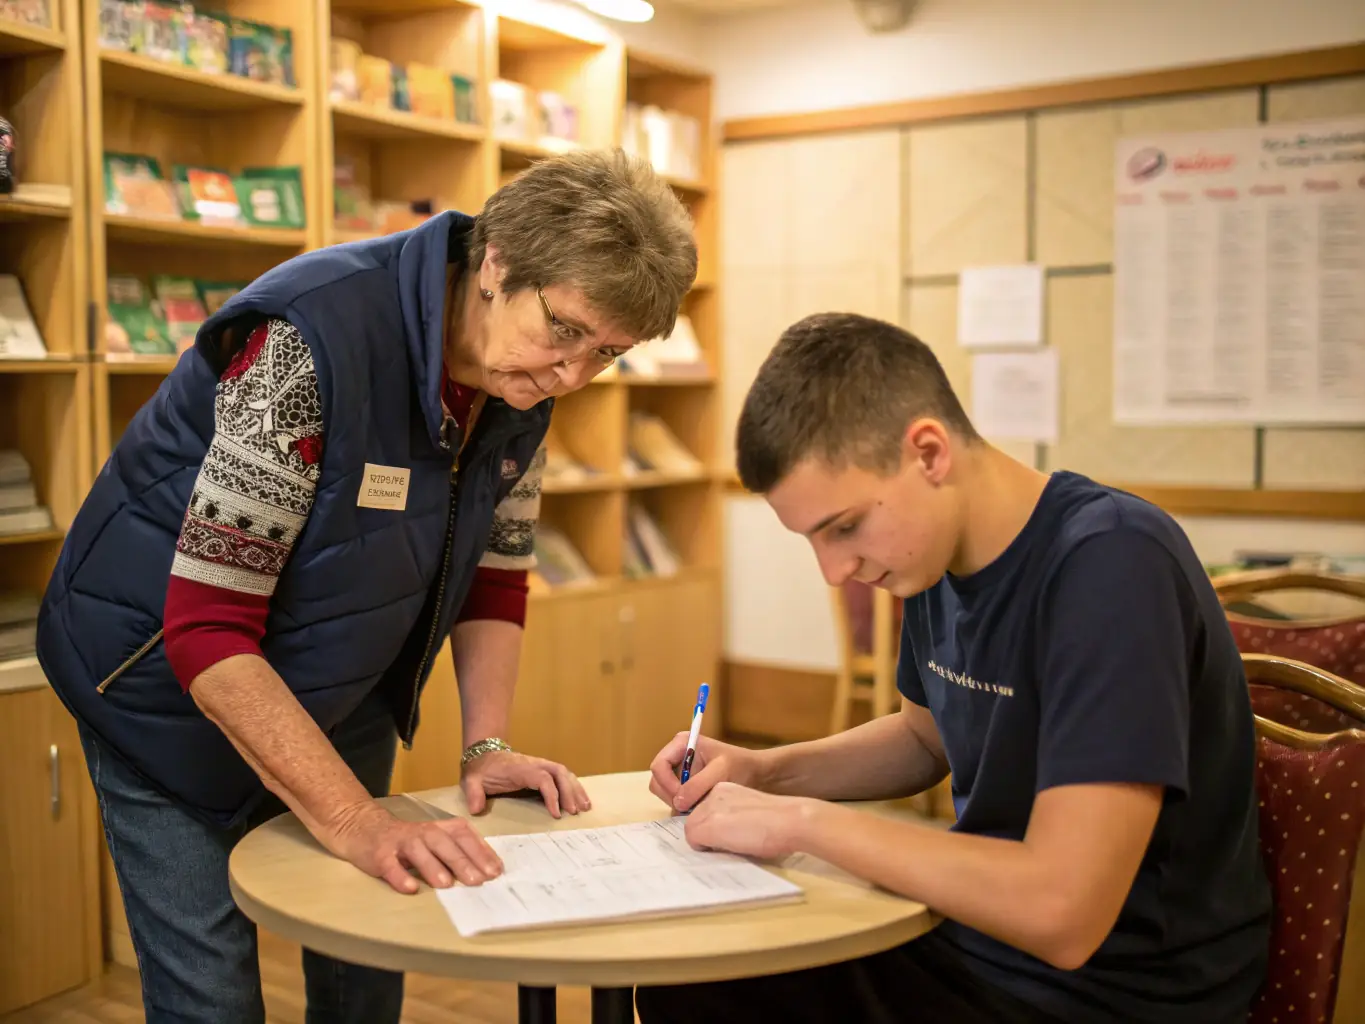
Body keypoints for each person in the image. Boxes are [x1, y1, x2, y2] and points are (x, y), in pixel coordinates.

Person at [36, 149, 697, 1024]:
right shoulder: (307, 342)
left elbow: (495, 572)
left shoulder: (524, 381)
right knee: (213, 995)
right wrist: (353, 820)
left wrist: (485, 746)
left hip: (343, 675)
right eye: (566, 332)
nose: (571, 376)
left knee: (369, 953)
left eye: (605, 354)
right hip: (158, 685)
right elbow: (207, 631)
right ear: (496, 261)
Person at [638, 313, 1272, 1024]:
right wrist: (763, 770)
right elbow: (922, 740)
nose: (834, 571)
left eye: (843, 528)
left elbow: (1062, 912)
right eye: (812, 541)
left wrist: (803, 823)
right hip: (978, 943)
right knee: (692, 978)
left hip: (1118, 991)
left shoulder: (1111, 564)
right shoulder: (933, 561)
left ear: (929, 453)